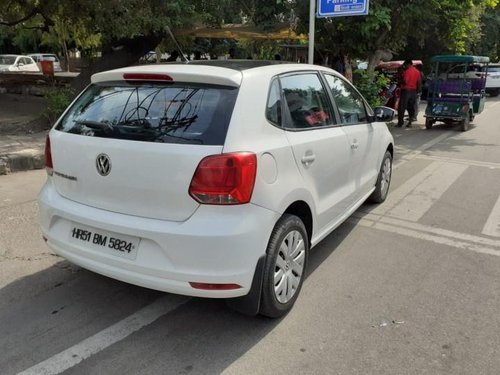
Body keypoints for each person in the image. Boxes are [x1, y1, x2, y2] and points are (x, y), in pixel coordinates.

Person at [396, 59, 422, 128]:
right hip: (413, 91)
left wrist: (399, 81)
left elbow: (405, 81)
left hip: (406, 90)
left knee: (401, 107)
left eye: (405, 65)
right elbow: (419, 82)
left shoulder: (407, 71)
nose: (405, 66)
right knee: (411, 107)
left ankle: (400, 123)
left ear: (408, 64)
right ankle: (410, 122)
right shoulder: (417, 72)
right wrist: (418, 92)